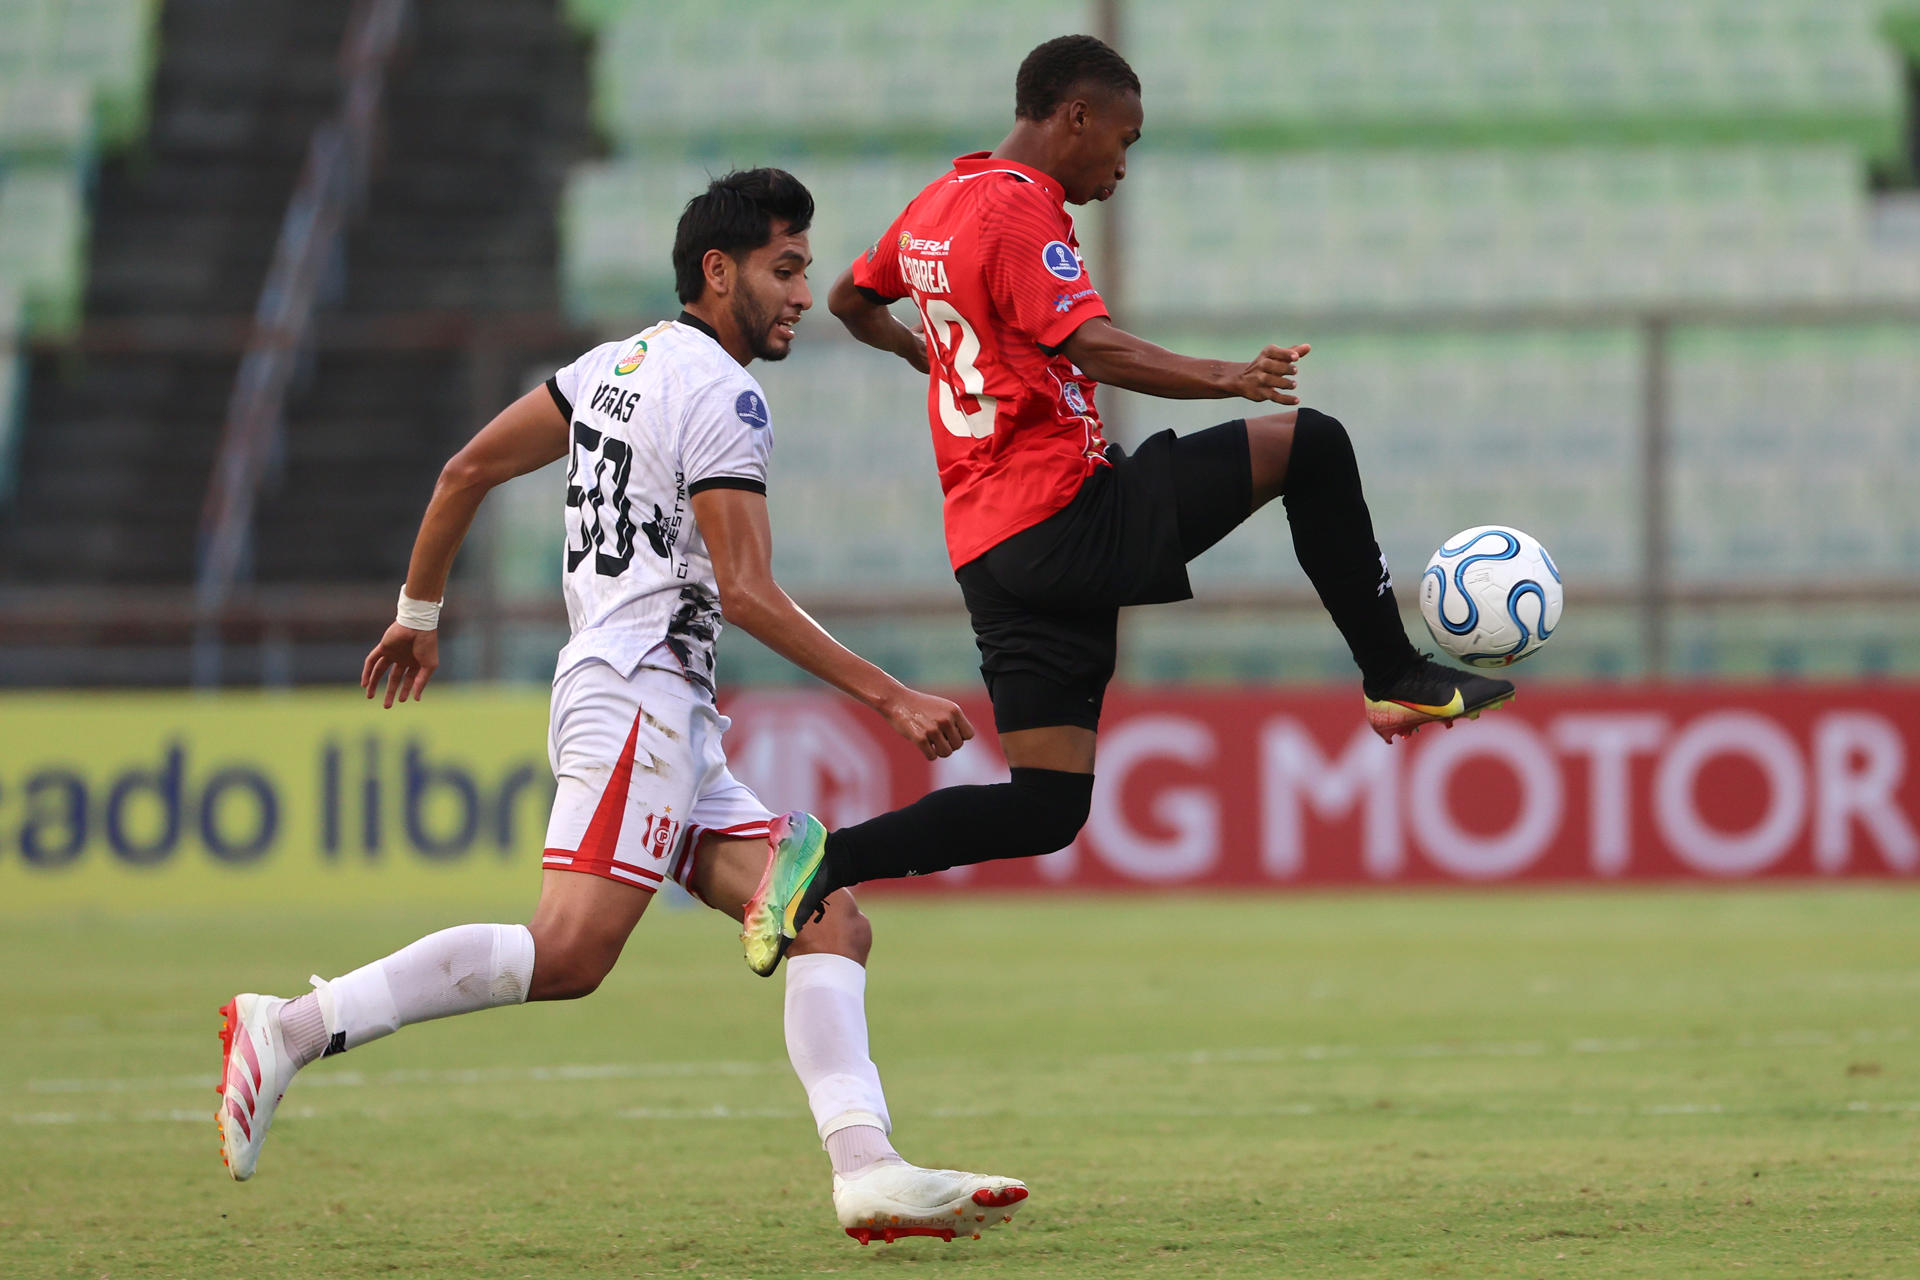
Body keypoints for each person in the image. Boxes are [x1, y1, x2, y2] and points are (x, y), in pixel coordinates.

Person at [216, 168, 1027, 1247]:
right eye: (786, 269)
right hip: (638, 696)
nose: (799, 294)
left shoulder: (612, 365)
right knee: (570, 951)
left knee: (826, 912)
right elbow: (744, 589)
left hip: (662, 706)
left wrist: (419, 610)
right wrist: (888, 694)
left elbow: (464, 470)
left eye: (805, 271)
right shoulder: (724, 395)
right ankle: (294, 1025)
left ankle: (868, 1169)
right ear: (718, 268)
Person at [739, 36, 1515, 974]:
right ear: (1075, 116)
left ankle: (828, 856)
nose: (1120, 165)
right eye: (1123, 139)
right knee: (1313, 446)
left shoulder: (936, 206)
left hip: (990, 552)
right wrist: (1227, 376)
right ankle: (1394, 672)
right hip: (1065, 515)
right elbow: (1096, 346)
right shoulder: (1023, 213)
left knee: (1045, 805)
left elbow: (850, 297)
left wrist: (922, 353)